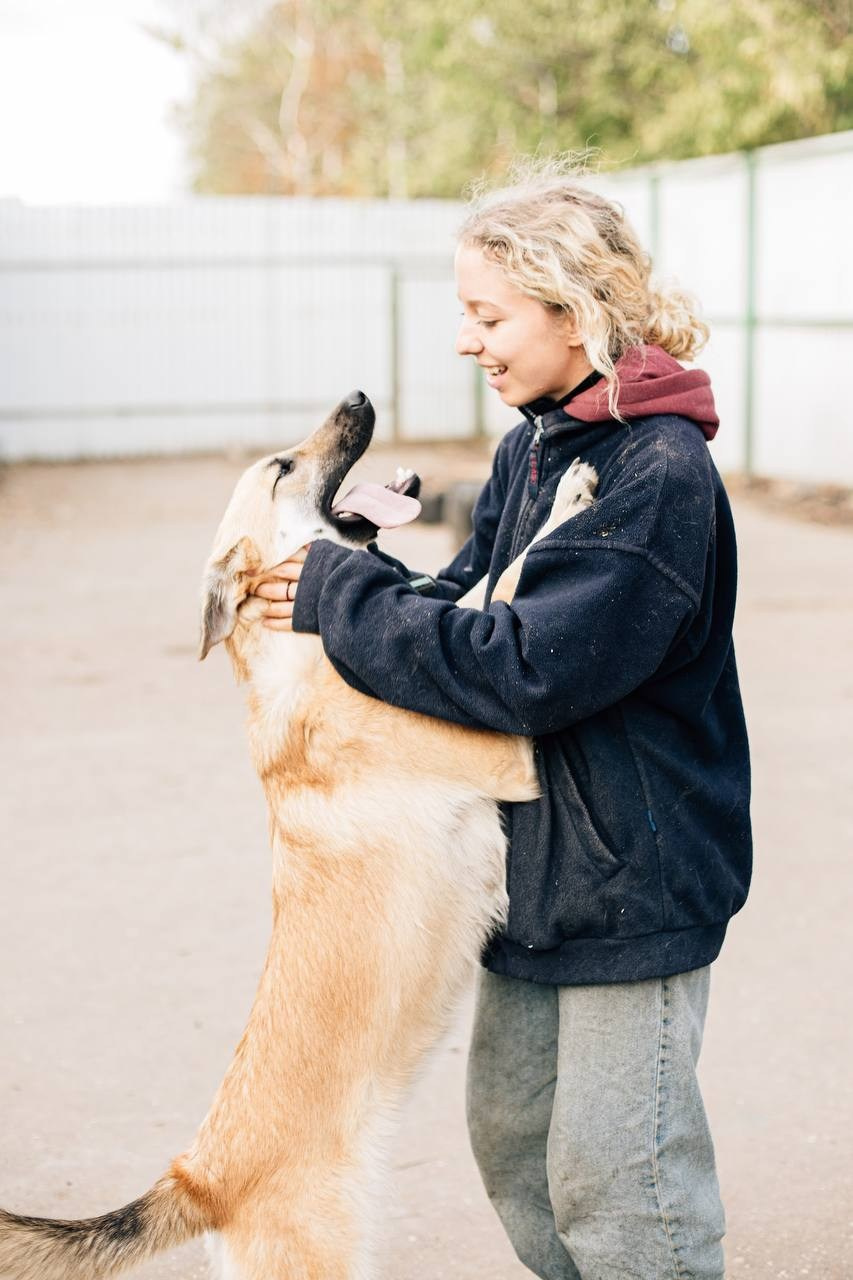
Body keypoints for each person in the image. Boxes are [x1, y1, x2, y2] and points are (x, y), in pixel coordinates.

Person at [251, 160, 751, 1280]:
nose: (468, 341)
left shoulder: (654, 471)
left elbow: (526, 667)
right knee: (519, 1150)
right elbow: (472, 594)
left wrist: (340, 596)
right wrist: (360, 555)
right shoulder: (538, 441)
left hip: (632, 878)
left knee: (620, 1184)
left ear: (575, 312)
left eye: (488, 316)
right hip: (530, 871)